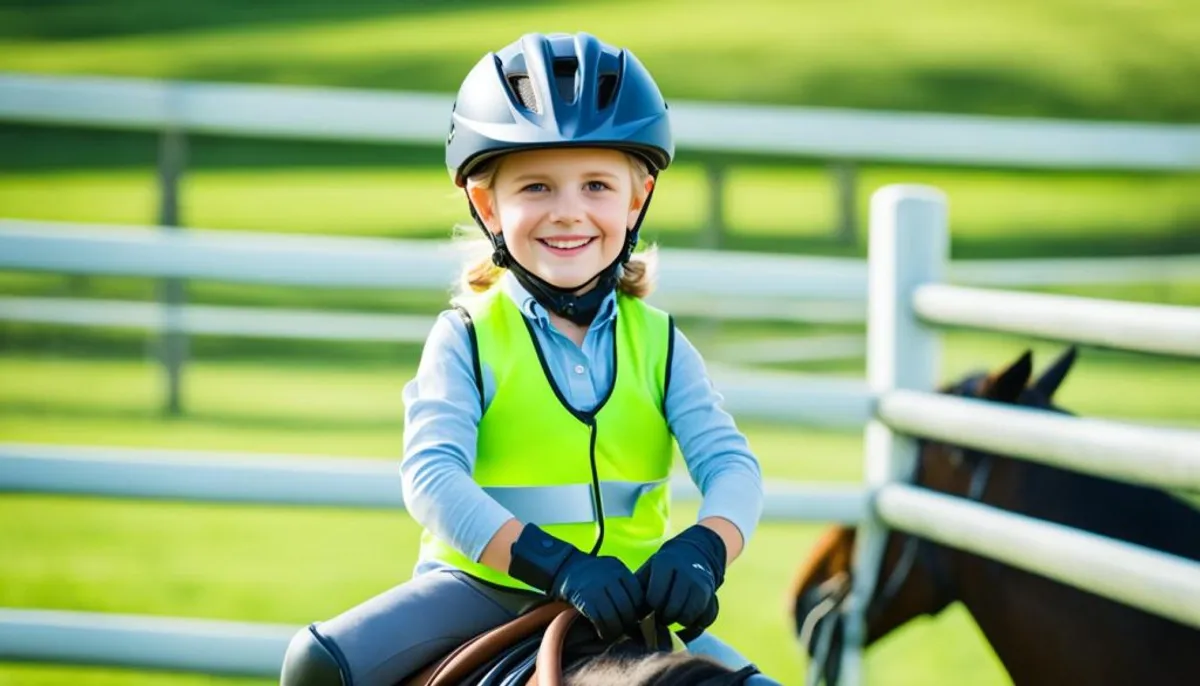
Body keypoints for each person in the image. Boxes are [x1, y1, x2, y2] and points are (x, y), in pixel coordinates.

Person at [280, 32, 767, 686]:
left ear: (636, 198)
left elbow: (731, 464)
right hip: (480, 592)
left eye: (596, 186)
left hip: (628, 602)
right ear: (488, 205)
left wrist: (704, 549)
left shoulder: (663, 343)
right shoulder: (467, 338)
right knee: (317, 665)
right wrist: (556, 565)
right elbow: (432, 477)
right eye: (536, 187)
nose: (568, 214)